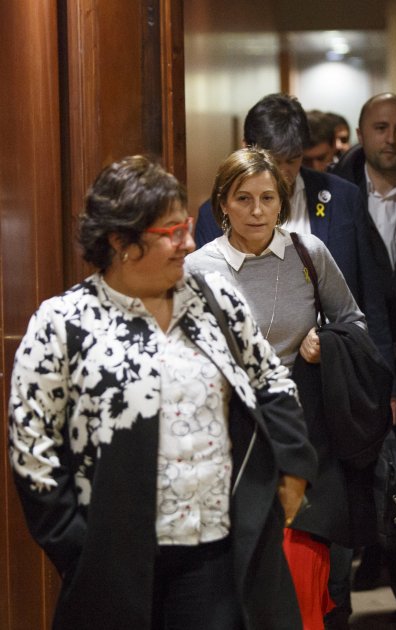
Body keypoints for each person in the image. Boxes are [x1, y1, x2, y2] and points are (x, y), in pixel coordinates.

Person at [8, 155, 317, 630]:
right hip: (113, 562)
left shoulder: (215, 299)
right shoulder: (63, 322)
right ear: (120, 242)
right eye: (171, 232)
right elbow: (33, 447)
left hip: (218, 548)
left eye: (185, 227)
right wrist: (77, 549)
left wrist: (294, 471)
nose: (188, 243)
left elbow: (270, 379)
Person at [186, 147, 381, 630]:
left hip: (304, 431)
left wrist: (326, 342)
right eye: (243, 198)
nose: (257, 210)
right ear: (222, 204)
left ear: (282, 202)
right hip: (230, 437)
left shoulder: (308, 254)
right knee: (238, 580)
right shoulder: (197, 268)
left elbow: (355, 322)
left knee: (304, 580)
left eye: (268, 198)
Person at [194, 93, 392, 371]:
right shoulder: (213, 214)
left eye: (294, 159)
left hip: (324, 373)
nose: (284, 172)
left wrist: (384, 375)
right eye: (274, 160)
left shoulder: (341, 197)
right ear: (247, 149)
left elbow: (370, 295)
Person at [333, 93, 396, 629]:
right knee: (365, 486)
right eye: (380, 127)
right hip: (357, 359)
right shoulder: (335, 192)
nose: (390, 139)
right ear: (361, 132)